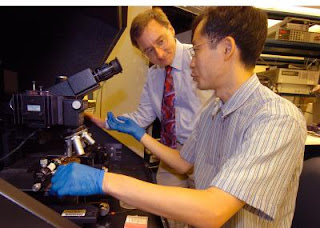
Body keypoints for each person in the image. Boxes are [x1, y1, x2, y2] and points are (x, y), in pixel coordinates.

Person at [51, 6, 307, 227]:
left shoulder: (276, 119)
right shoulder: (214, 109)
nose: (191, 62)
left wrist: (105, 181)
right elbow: (183, 163)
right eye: (149, 51)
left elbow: (212, 210)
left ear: (227, 48)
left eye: (197, 49)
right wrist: (137, 133)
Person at [87, 7, 210, 190]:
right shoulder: (153, 75)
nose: (159, 54)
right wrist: (106, 123)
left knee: (200, 213)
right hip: (169, 152)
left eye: (161, 41)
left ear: (170, 29)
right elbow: (144, 115)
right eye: (149, 51)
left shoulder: (200, 59)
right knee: (166, 211)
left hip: (204, 154)